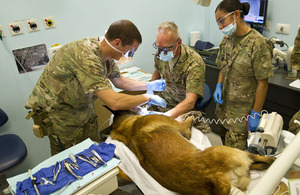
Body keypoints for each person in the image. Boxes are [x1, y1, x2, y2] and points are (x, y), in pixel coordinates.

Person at [25, 19, 166, 155]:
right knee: (72, 161)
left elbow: (119, 81)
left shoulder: (106, 53)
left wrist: (147, 84)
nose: (129, 55)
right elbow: (114, 102)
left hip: (82, 109)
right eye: (129, 51)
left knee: (93, 152)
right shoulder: (86, 56)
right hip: (60, 115)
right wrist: (147, 97)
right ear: (117, 42)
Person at [213, 0, 274, 150]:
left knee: (236, 159)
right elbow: (222, 66)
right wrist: (218, 85)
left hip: (241, 116)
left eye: (222, 21)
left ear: (236, 15)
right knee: (225, 151)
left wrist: (256, 112)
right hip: (223, 110)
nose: (220, 27)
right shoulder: (226, 40)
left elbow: (263, 83)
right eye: (218, 23)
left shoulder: (258, 44)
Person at [148, 21, 206, 119]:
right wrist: (149, 89)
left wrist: (167, 116)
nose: (162, 52)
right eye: (159, 47)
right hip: (164, 100)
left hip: (183, 108)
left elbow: (190, 101)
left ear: (178, 42)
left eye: (167, 48)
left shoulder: (194, 63)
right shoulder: (160, 53)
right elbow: (157, 72)